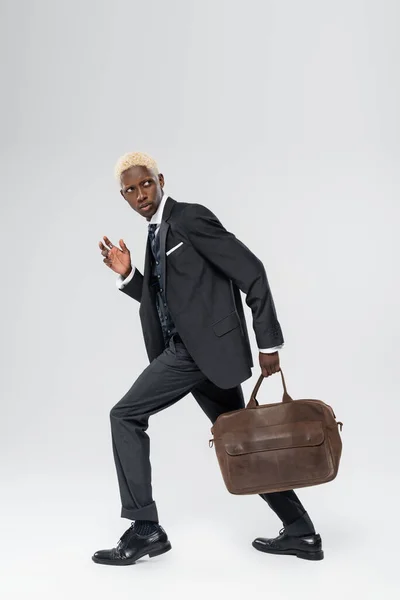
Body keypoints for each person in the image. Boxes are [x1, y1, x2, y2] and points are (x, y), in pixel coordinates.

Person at [92, 152, 323, 566]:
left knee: (124, 416)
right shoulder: (156, 232)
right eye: (130, 190)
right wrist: (129, 276)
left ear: (160, 179)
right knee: (242, 437)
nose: (140, 194)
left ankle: (145, 529)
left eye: (145, 183)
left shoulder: (189, 218)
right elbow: (170, 300)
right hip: (202, 354)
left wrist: (268, 343)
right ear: (123, 197)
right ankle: (302, 532)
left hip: (194, 354)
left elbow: (251, 270)